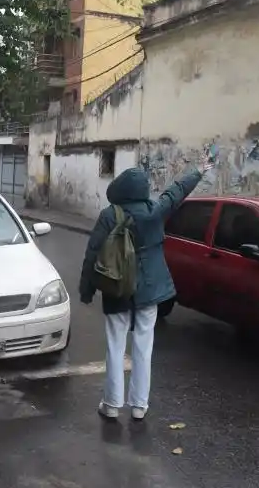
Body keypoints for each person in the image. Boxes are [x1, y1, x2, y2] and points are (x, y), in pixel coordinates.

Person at [79, 153, 214, 422]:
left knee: (116, 346)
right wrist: (197, 170)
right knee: (144, 346)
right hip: (150, 292)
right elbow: (176, 193)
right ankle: (139, 405)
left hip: (116, 289)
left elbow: (92, 253)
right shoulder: (155, 211)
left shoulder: (109, 214)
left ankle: (112, 403)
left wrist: (87, 289)